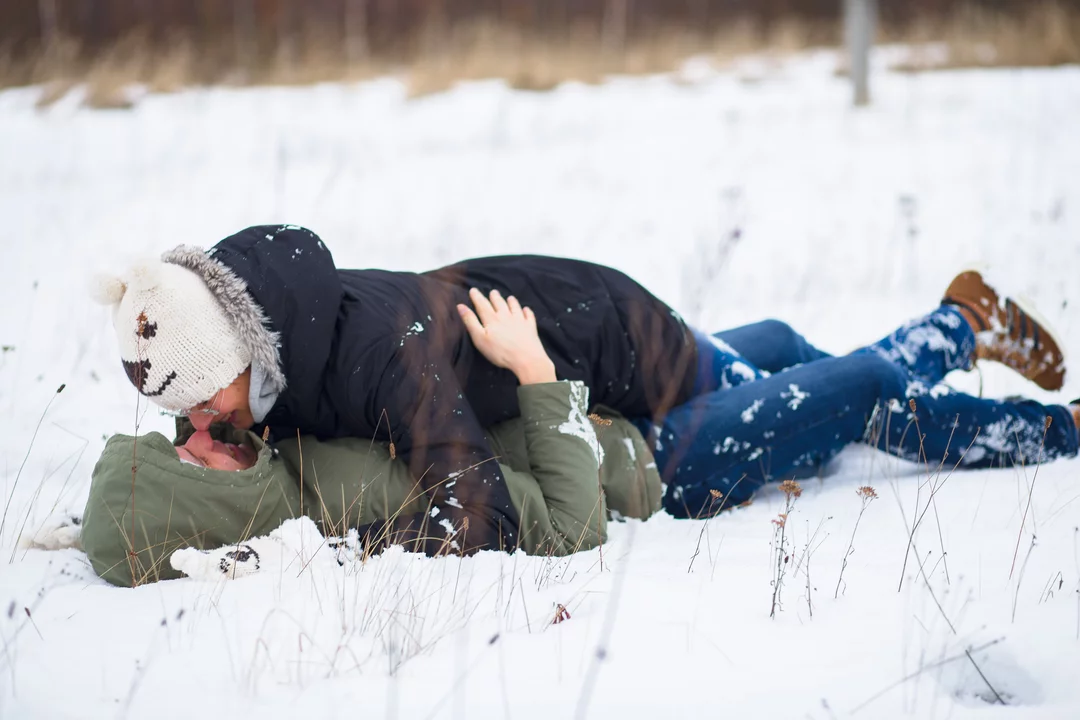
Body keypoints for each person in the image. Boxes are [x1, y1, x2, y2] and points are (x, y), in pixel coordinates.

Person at [93, 224, 1075, 555]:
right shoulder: (284, 350)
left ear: (237, 346)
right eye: (180, 423)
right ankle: (961, 323)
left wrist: (535, 381)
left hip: (614, 352)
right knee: (777, 356)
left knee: (843, 392)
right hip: (586, 362)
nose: (198, 423)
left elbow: (489, 510)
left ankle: (1009, 383)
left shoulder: (366, 354)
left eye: (198, 405)